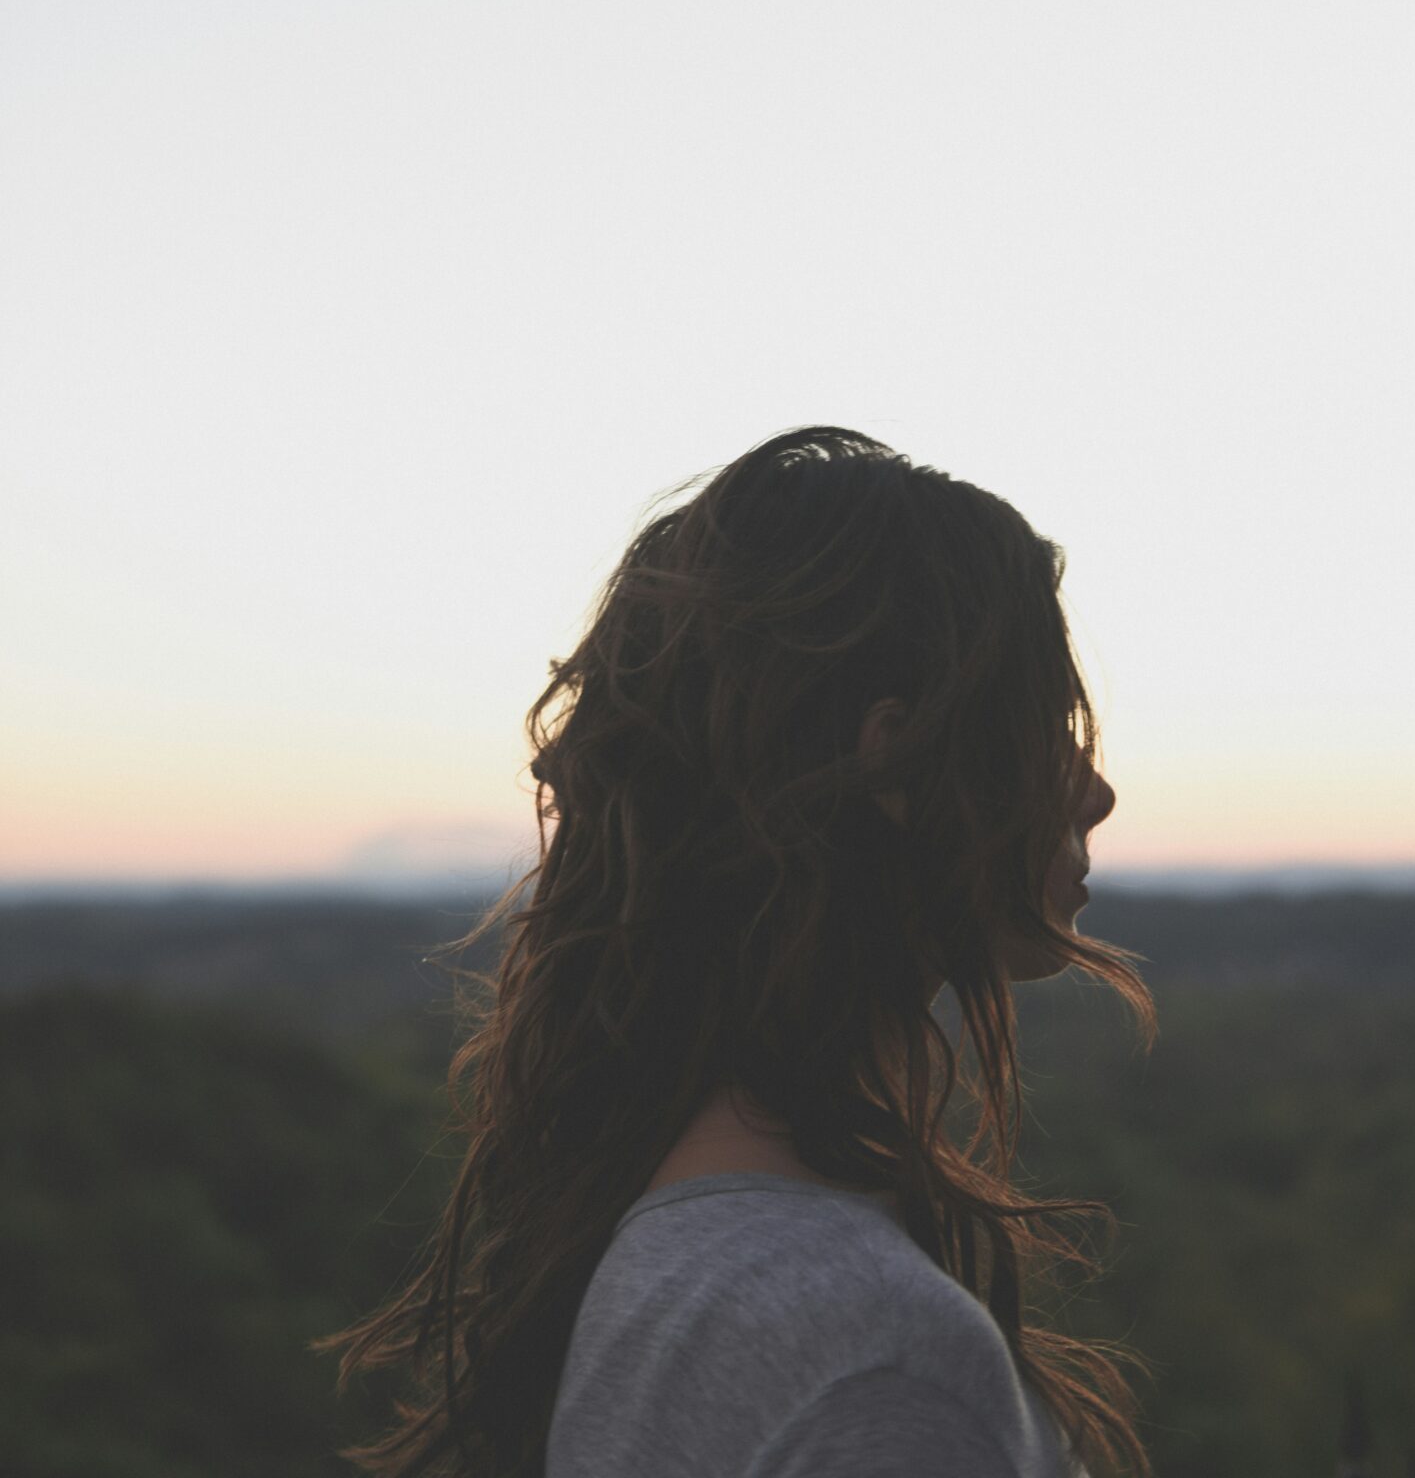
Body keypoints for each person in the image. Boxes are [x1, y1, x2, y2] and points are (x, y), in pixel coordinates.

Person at [321, 425, 1156, 1477]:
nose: (1095, 789)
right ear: (891, 750)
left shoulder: (661, 1255)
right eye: (1048, 725)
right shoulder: (880, 1358)